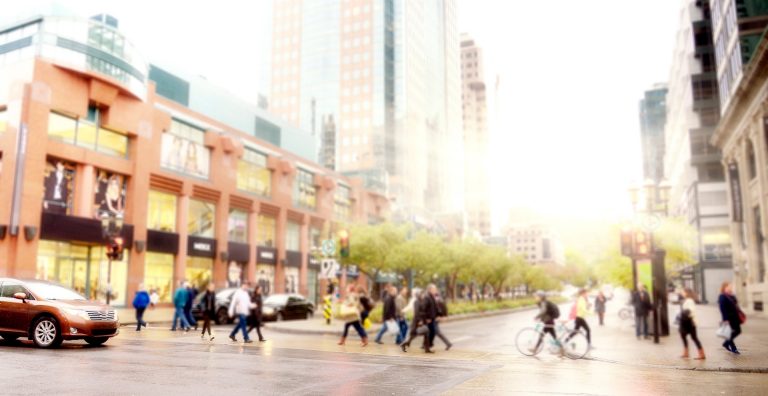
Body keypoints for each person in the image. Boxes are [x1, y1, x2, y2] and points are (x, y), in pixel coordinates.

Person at [532, 290, 562, 355]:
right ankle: (562, 349)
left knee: (541, 335)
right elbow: (545, 313)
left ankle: (535, 349)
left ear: (541, 297)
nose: (535, 297)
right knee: (554, 336)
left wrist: (536, 317)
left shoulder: (543, 302)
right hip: (549, 321)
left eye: (537, 296)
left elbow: (543, 311)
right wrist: (541, 319)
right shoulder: (544, 302)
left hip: (548, 322)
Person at [718, 281, 744, 354]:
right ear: (724, 287)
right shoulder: (722, 296)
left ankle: (729, 345)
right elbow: (722, 308)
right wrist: (725, 319)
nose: (730, 287)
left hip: (735, 317)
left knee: (735, 332)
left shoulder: (731, 296)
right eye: (729, 286)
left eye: (731, 286)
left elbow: (735, 305)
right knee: (736, 331)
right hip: (729, 318)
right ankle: (729, 345)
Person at [679, 288, 705, 359]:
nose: (682, 293)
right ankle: (686, 352)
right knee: (683, 335)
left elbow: (690, 311)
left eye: (683, 292)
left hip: (689, 322)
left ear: (686, 293)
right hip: (685, 322)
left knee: (694, 337)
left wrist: (684, 314)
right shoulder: (686, 300)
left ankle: (701, 354)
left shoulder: (689, 300)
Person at [420, 284, 439, 353]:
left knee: (431, 333)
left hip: (432, 318)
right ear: (430, 290)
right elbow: (423, 309)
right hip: (428, 319)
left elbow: (434, 308)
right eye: (434, 289)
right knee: (430, 333)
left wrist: (437, 316)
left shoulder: (432, 297)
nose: (435, 290)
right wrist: (426, 318)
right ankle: (427, 347)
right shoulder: (427, 297)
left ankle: (427, 347)